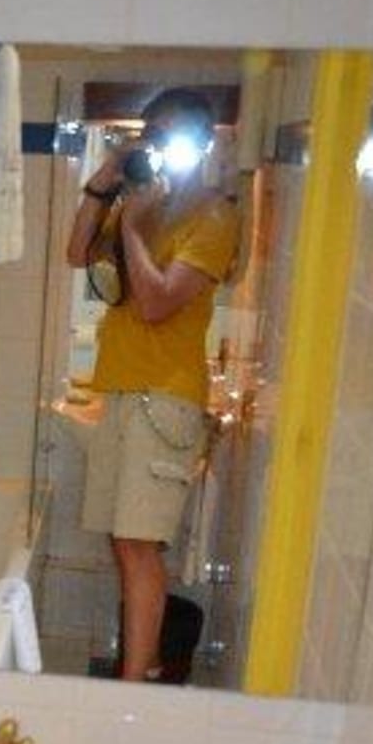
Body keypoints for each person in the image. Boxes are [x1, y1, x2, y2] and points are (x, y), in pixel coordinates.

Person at [66, 88, 240, 682]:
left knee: (139, 547)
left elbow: (158, 302)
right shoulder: (142, 202)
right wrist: (104, 182)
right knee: (125, 543)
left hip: (164, 399)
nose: (166, 144)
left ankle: (134, 684)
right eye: (156, 133)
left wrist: (136, 231)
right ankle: (144, 666)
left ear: (206, 142)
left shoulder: (214, 216)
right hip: (123, 392)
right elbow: (76, 254)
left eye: (179, 133)